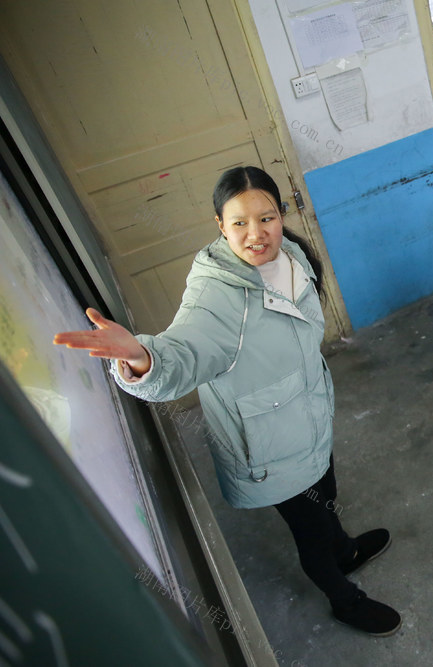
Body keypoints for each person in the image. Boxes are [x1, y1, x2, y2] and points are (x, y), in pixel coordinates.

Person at [53, 166, 401, 636]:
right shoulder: (215, 294)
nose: (256, 234)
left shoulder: (292, 254)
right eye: (239, 222)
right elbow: (184, 350)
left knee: (327, 496)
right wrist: (141, 356)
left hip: (309, 417)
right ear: (220, 225)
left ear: (282, 215)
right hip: (270, 445)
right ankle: (344, 599)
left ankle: (346, 551)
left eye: (267, 217)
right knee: (311, 534)